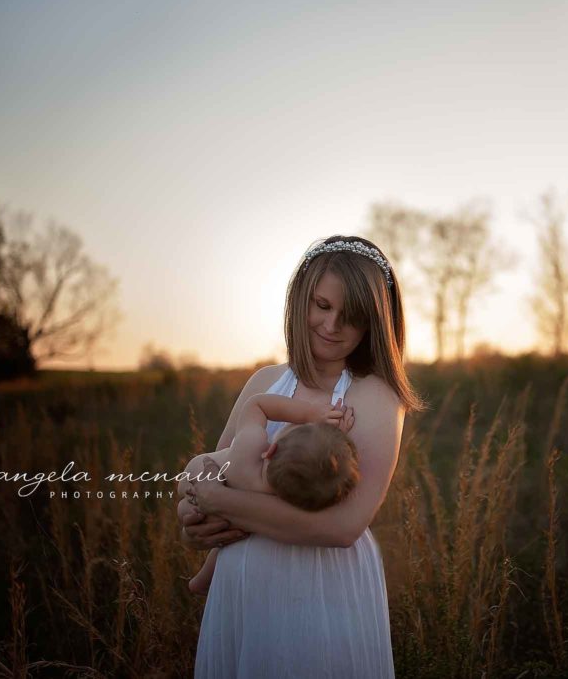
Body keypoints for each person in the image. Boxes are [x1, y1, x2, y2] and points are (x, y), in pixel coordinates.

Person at [177, 234, 426, 678]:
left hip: (320, 589)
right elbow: (213, 469)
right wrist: (192, 509)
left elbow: (343, 526)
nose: (332, 326)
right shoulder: (265, 382)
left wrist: (220, 502)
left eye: (351, 316)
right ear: (299, 300)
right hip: (242, 591)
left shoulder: (373, 395)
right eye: (322, 306)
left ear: (374, 322)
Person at [185, 392, 359, 596]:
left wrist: (309, 414)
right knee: (238, 532)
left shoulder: (249, 450)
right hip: (216, 495)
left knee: (232, 531)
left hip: (199, 472)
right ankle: (203, 578)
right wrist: (337, 438)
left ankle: (201, 580)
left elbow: (256, 404)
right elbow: (316, 469)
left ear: (271, 450)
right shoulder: (285, 497)